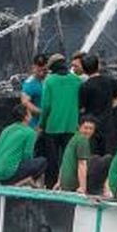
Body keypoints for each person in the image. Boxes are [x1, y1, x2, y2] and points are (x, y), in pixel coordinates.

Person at [38, 54, 82, 184]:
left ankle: (51, 184)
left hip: (52, 126)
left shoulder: (50, 81)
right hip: (71, 126)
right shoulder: (77, 80)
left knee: (52, 158)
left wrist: (42, 124)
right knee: (68, 158)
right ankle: (67, 184)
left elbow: (46, 106)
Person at [0, 105, 47, 185]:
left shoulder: (6, 129)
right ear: (26, 117)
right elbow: (27, 155)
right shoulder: (29, 132)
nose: (31, 115)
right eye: (30, 113)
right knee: (42, 162)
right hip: (8, 172)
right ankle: (23, 182)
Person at [77, 54, 117, 153]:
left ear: (84, 70)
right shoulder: (110, 81)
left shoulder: (85, 86)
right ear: (98, 66)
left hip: (91, 127)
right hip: (107, 125)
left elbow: (81, 109)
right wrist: (109, 107)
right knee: (105, 155)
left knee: (92, 154)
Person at [57, 117, 111, 196]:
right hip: (73, 185)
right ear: (79, 127)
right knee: (107, 159)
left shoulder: (73, 138)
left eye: (91, 129)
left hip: (65, 185)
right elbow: (82, 164)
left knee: (94, 158)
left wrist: (59, 182)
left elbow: (63, 163)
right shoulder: (83, 140)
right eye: (85, 128)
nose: (88, 131)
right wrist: (82, 188)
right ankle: (100, 190)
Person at [20, 53, 49, 128]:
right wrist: (42, 112)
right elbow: (25, 102)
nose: (42, 73)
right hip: (36, 125)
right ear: (33, 67)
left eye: (44, 70)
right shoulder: (29, 83)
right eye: (39, 70)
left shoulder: (51, 79)